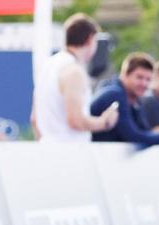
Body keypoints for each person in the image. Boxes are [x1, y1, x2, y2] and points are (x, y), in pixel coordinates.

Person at [31, 13, 117, 142]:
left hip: (47, 149)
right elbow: (75, 121)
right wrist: (104, 122)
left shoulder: (47, 66)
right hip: (70, 153)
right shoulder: (73, 71)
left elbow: (34, 119)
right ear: (90, 39)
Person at [90, 52, 159, 147]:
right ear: (125, 74)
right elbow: (133, 136)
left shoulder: (135, 99)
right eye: (139, 77)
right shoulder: (115, 94)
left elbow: (144, 131)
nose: (144, 84)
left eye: (148, 79)